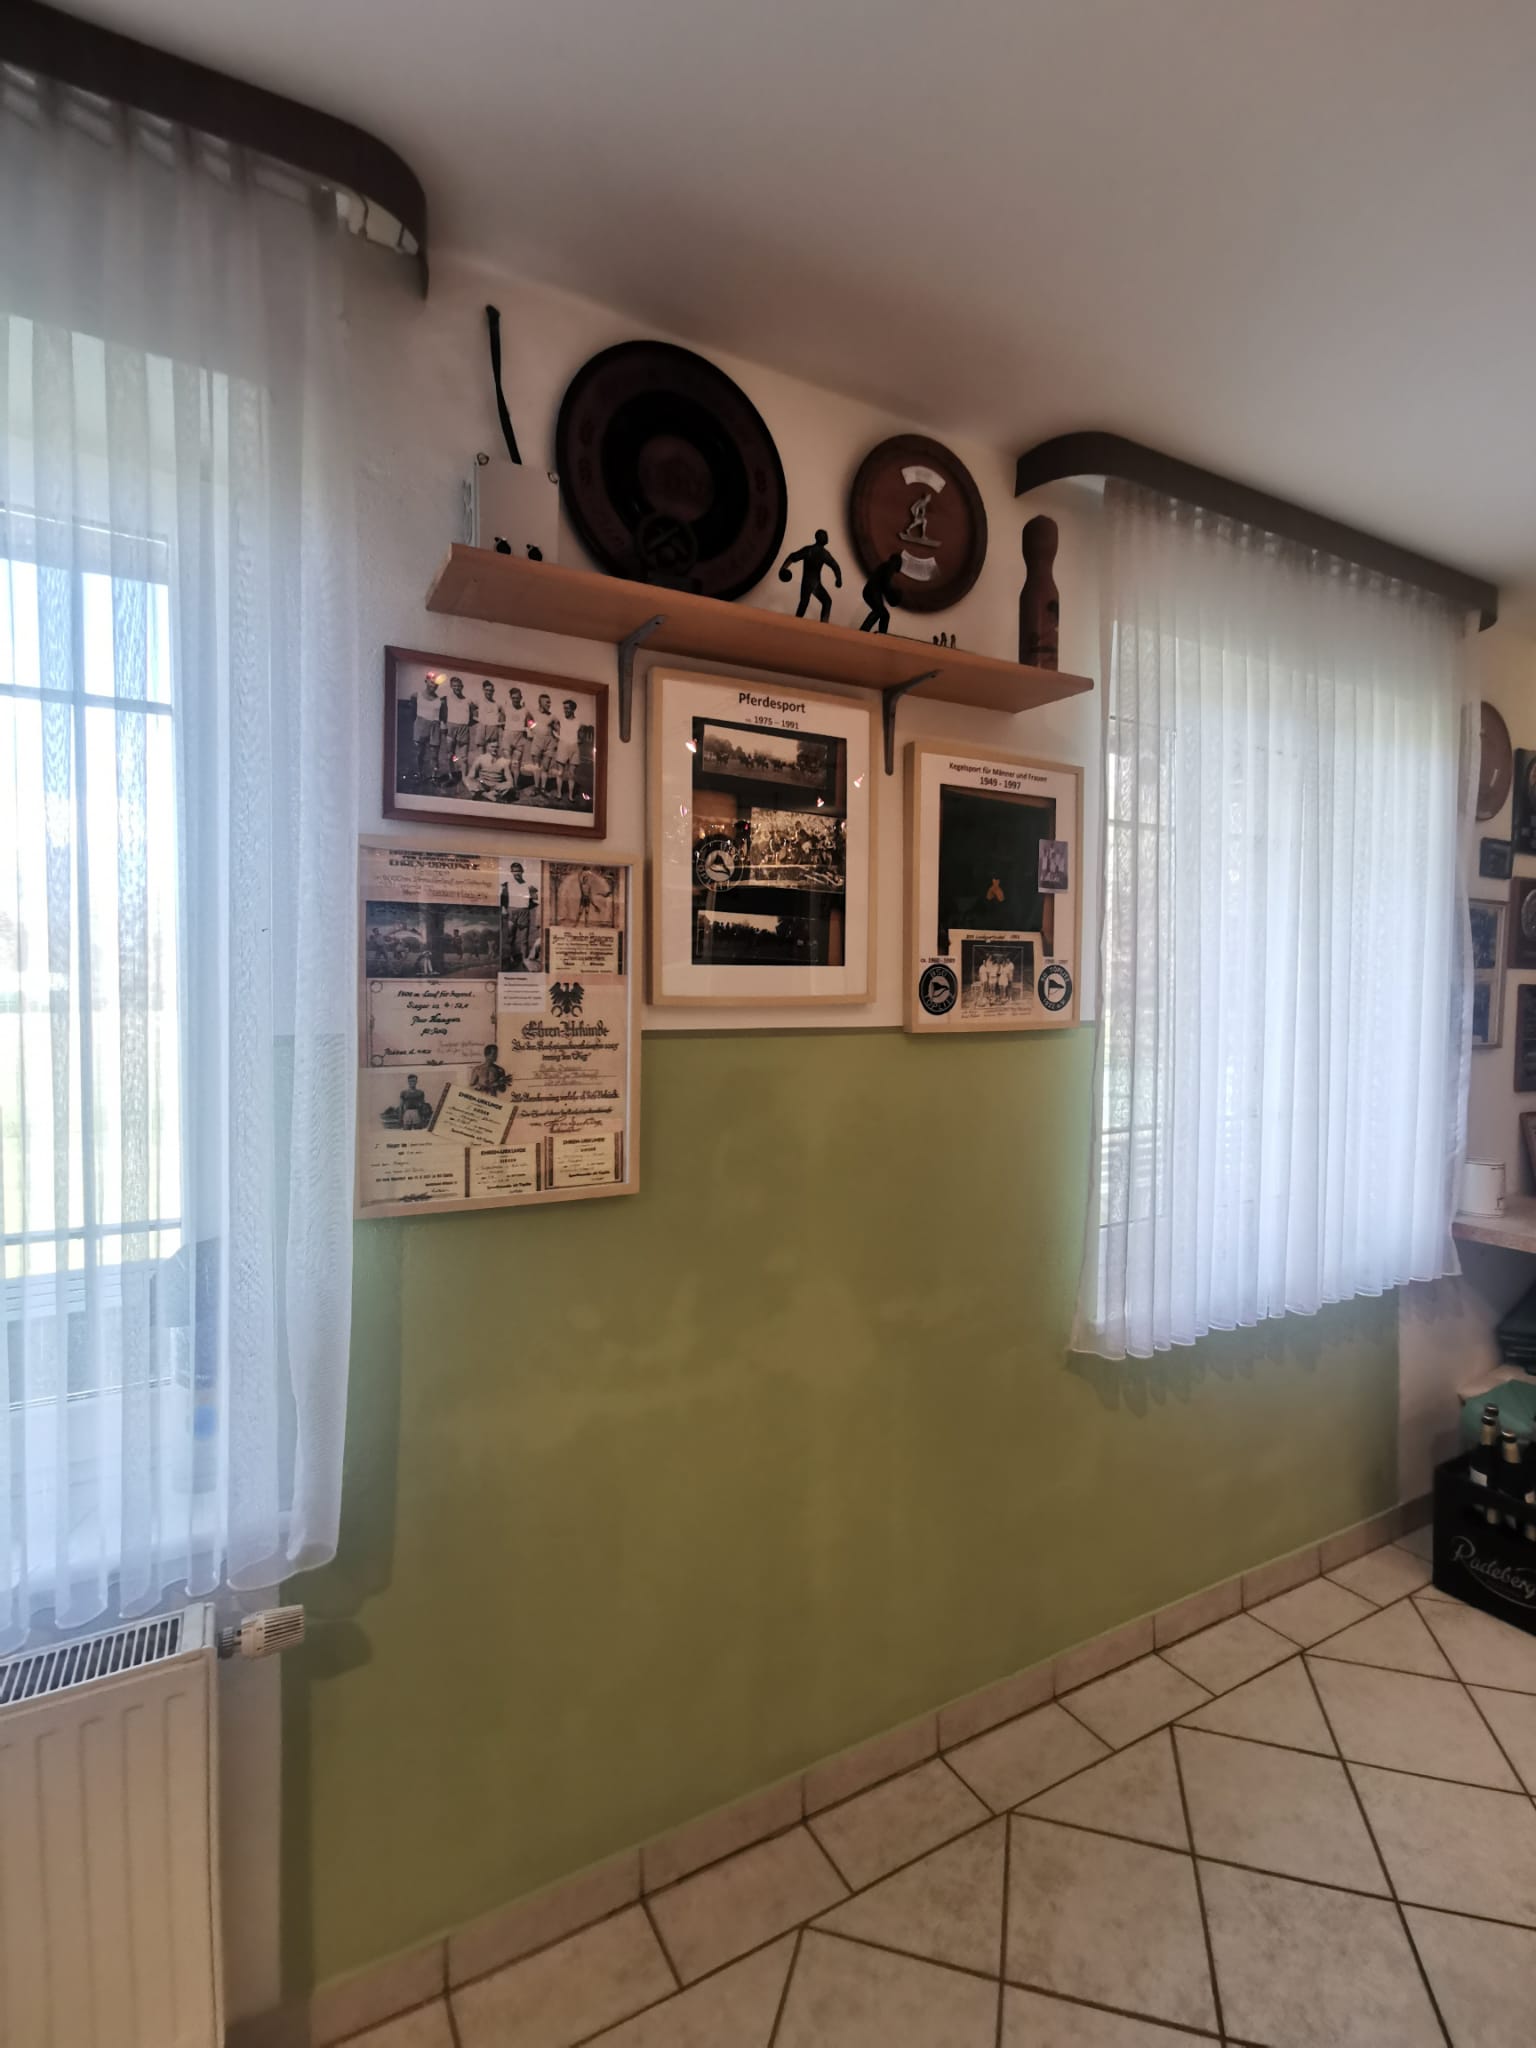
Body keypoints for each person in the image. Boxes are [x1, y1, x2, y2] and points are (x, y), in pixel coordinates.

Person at [777, 530, 842, 622]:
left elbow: (792, 557)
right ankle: (822, 625)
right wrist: (838, 579)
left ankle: (797, 623)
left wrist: (783, 568)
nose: (827, 538)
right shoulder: (824, 553)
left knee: (805, 603)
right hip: (815, 583)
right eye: (825, 536)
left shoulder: (808, 550)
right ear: (823, 539)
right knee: (825, 602)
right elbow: (835, 566)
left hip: (807, 582)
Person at [437, 676, 474, 784]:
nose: (457, 688)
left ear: (462, 686)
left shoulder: (468, 700)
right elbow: (440, 714)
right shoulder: (445, 699)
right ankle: (451, 775)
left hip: (463, 728)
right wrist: (443, 725)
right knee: (451, 755)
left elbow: (472, 716)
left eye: (458, 686)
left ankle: (464, 778)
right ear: (451, 686)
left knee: (464, 757)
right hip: (451, 728)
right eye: (454, 686)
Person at [411, 673, 446, 784]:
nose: (434, 686)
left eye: (436, 684)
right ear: (426, 681)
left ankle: (434, 777)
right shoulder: (416, 695)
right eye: (432, 682)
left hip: (435, 726)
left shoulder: (440, 700)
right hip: (421, 724)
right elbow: (412, 712)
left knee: (434, 754)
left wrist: (442, 726)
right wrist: (417, 725)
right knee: (419, 752)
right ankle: (419, 774)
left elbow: (443, 716)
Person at [463, 730, 516, 801]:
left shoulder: (503, 761)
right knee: (467, 780)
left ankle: (485, 794)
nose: (495, 749)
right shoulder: (480, 758)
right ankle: (488, 795)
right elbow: (470, 776)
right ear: (487, 747)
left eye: (497, 747)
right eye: (492, 747)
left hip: (496, 786)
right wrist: (475, 782)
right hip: (483, 783)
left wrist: (502, 785)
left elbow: (510, 780)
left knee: (510, 785)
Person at [859, 553, 903, 634]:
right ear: (898, 562)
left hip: (871, 591)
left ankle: (879, 634)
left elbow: (884, 584)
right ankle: (863, 632)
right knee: (879, 612)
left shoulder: (886, 565)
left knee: (884, 615)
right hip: (873, 592)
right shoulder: (890, 566)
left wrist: (889, 596)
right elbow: (885, 584)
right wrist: (891, 597)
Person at [554, 697, 583, 804]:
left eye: (567, 708)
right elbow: (555, 729)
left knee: (571, 773)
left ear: (573, 709)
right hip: (562, 747)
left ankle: (571, 796)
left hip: (574, 748)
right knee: (560, 772)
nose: (565, 710)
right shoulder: (560, 720)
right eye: (564, 708)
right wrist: (558, 737)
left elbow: (581, 738)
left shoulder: (579, 722)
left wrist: (576, 741)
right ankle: (559, 794)